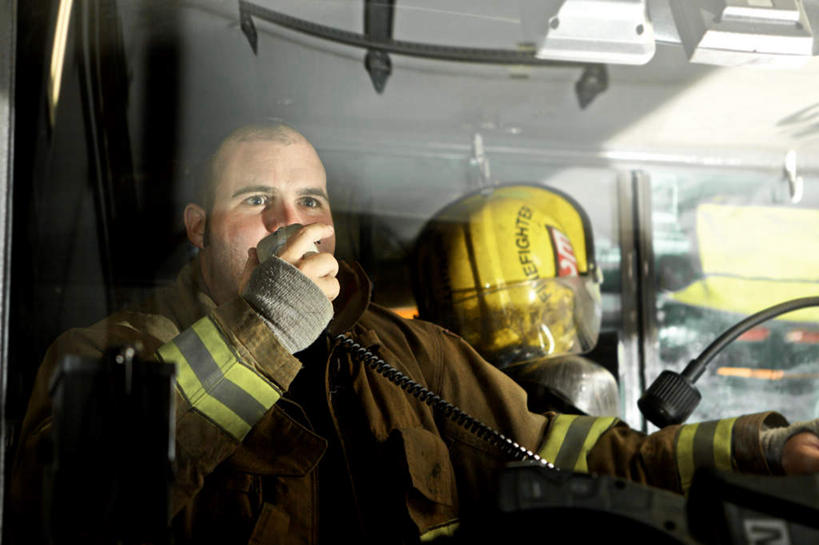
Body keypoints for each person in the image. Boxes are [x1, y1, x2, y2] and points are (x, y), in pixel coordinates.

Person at [8, 124, 819, 545]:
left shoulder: (403, 353)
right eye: (256, 198)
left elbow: (570, 456)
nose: (290, 222)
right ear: (196, 227)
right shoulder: (109, 352)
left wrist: (759, 452)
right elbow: (73, 516)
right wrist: (263, 330)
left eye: (311, 202)